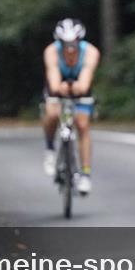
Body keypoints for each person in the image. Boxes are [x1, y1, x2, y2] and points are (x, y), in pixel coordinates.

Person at [42, 18, 100, 195]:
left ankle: (85, 174)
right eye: (65, 44)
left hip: (81, 87)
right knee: (52, 114)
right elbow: (53, 79)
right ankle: (50, 149)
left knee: (82, 125)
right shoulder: (51, 51)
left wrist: (78, 88)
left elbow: (85, 79)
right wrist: (59, 88)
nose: (70, 48)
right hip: (58, 86)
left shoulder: (90, 52)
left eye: (74, 43)